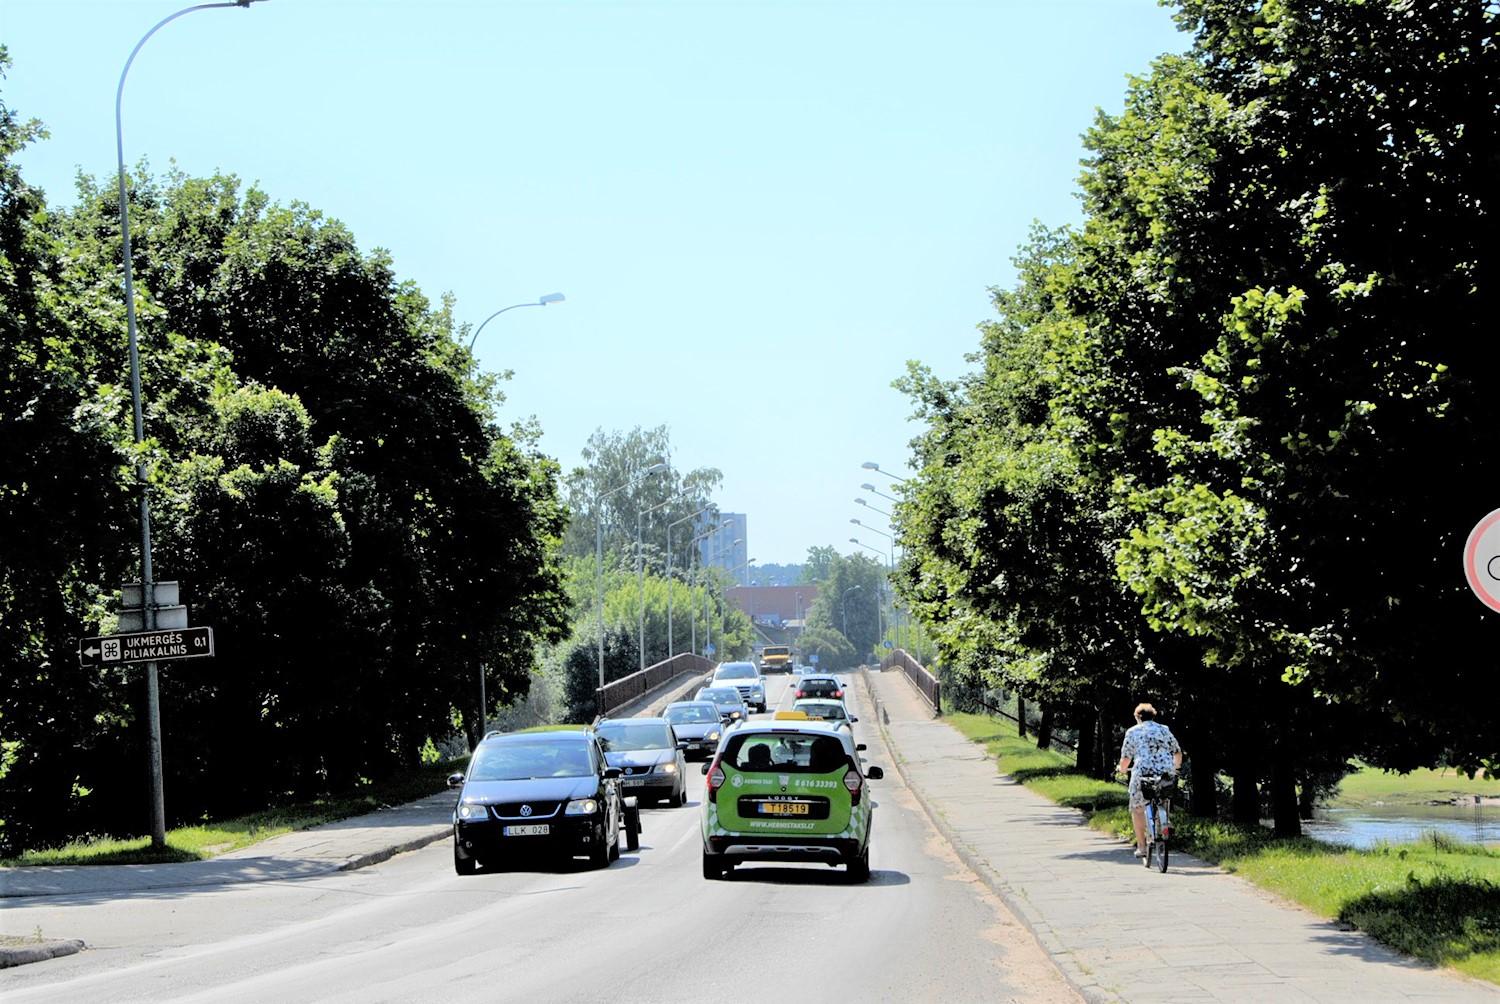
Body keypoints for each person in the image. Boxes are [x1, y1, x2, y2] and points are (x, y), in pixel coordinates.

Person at [1117, 702, 1183, 858]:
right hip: (1165, 773)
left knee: (1137, 808)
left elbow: (1126, 758)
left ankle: (1142, 847)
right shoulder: (1164, 730)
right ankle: (1164, 822)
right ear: (1153, 716)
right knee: (1163, 796)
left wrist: (1122, 770)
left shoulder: (1133, 731)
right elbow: (1178, 753)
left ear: (1138, 717)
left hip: (1142, 772)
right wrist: (1175, 769)